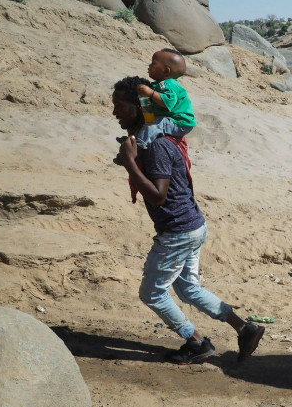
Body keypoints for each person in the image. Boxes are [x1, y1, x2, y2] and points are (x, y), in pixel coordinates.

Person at [110, 76, 264, 365]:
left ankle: (196, 343)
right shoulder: (156, 140)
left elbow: (158, 196)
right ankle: (245, 329)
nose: (115, 112)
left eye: (119, 105)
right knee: (188, 288)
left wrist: (130, 162)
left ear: (137, 107)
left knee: (152, 293)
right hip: (193, 225)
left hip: (178, 231)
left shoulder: (156, 146)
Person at [115, 49, 195, 165]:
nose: (149, 66)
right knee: (148, 121)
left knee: (154, 124)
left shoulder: (169, 84)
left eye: (153, 64)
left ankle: (138, 148)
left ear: (166, 71)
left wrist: (150, 93)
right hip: (170, 118)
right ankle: (132, 140)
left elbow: (168, 103)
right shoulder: (157, 85)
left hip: (180, 122)